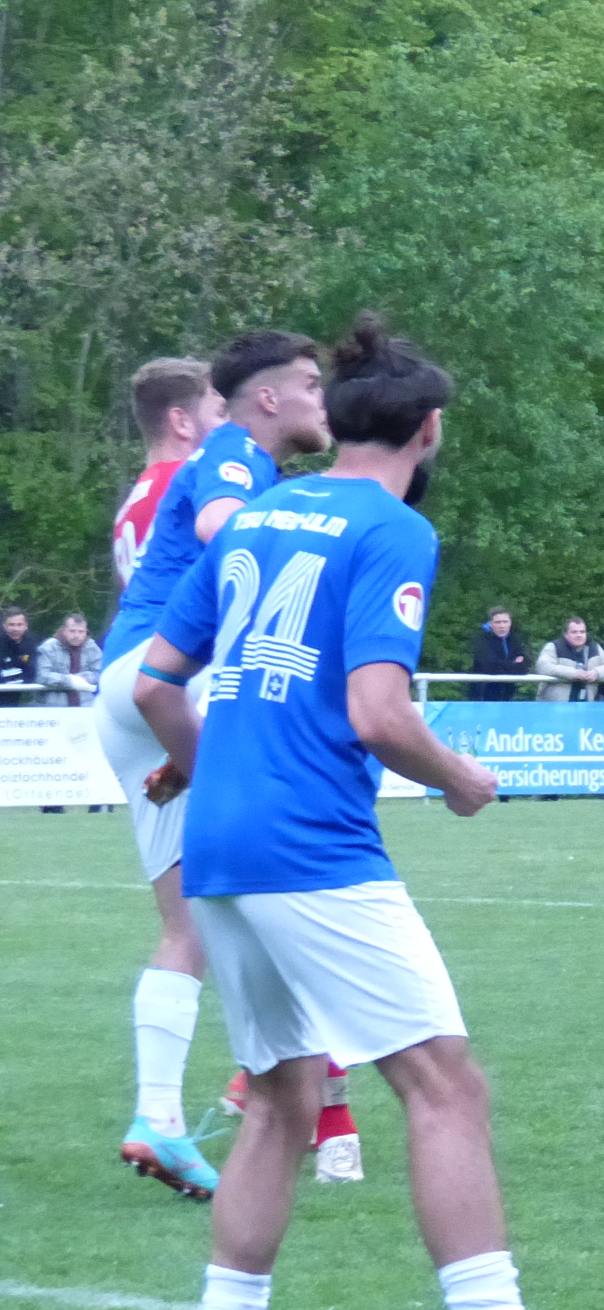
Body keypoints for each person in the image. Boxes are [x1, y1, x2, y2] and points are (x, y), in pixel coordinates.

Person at [128, 312, 524, 1310]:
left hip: (217, 844)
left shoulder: (260, 514)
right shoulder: (395, 529)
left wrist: (210, 770)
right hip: (308, 842)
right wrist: (458, 778)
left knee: (279, 1099)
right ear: (428, 429)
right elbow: (378, 713)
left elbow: (155, 685)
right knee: (445, 1088)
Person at [92, 328, 336, 1201]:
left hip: (133, 688)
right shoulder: (235, 454)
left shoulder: (192, 469)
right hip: (171, 676)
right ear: (266, 398)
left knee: (190, 926)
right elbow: (219, 524)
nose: (324, 400)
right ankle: (287, 1082)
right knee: (302, 870)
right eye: (311, 385)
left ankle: (160, 1116)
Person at [113, 358, 227, 593]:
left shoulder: (132, 505)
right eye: (221, 414)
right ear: (182, 423)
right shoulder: (191, 482)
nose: (233, 427)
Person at [534, 619, 604, 703]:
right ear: (565, 634)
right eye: (574, 632)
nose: (579, 635)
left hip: (587, 704)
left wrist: (596, 673)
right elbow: (543, 666)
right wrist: (574, 674)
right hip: (556, 705)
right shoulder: (554, 647)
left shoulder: (594, 647)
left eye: (582, 632)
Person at [36, 613, 102, 706]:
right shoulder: (49, 647)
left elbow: (102, 673)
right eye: (72, 631)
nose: (76, 635)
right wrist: (70, 680)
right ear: (64, 631)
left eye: (81, 632)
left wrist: (82, 678)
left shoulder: (92, 647)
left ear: (86, 632)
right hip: (54, 707)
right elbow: (42, 676)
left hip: (87, 706)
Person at [468, 609, 528, 702]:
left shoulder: (515, 639)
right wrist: (513, 664)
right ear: (490, 624)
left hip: (509, 694)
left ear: (510, 623)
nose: (502, 626)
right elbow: (489, 666)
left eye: (505, 622)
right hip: (483, 694)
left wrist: (502, 665)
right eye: (498, 622)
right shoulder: (481, 639)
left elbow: (525, 666)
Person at [0, 606, 34, 693]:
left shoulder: (33, 644)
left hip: (26, 694)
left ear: (26, 626)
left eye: (20, 625)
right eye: (11, 625)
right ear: (4, 626)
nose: (16, 629)